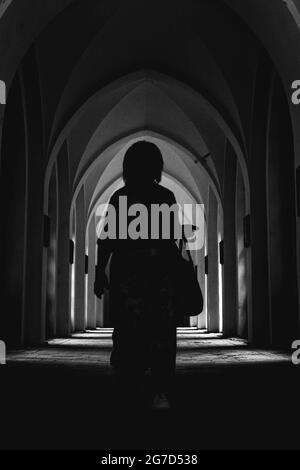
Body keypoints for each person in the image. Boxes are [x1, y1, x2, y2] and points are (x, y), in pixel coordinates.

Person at [94, 141, 182, 410]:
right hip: (158, 276)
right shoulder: (166, 196)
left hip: (128, 276)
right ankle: (159, 389)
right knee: (161, 332)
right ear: (157, 166)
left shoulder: (120, 198)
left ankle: (128, 386)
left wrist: (100, 271)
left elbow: (106, 240)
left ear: (127, 167)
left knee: (128, 331)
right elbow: (171, 240)